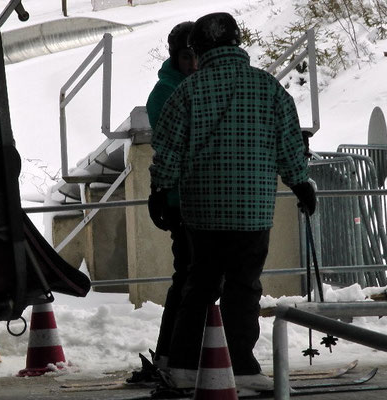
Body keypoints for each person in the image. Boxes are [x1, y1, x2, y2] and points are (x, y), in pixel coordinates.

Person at [148, 12, 316, 397]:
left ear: (199, 49)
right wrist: (300, 183)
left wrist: (159, 191)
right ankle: (240, 367)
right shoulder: (269, 88)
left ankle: (186, 366)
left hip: (202, 211)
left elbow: (168, 150)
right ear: (238, 43)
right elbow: (289, 145)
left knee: (199, 285)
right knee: (244, 287)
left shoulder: (187, 92)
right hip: (252, 210)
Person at [128, 21, 197, 385]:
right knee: (190, 278)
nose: (193, 63)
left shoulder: (188, 87)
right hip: (183, 198)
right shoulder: (167, 92)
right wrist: (163, 194)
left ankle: (173, 353)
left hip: (193, 196)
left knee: (189, 278)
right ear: (176, 57)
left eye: (196, 55)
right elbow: (173, 148)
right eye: (187, 57)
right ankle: (175, 355)